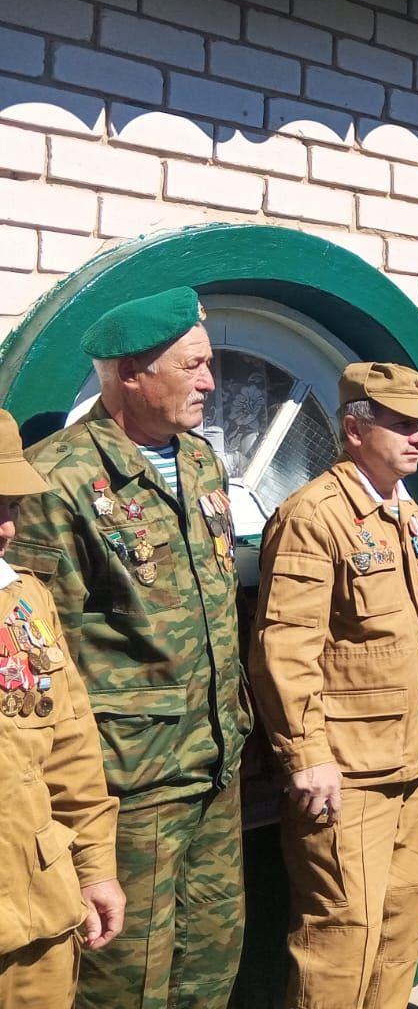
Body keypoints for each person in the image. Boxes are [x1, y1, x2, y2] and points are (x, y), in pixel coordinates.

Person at [13, 286, 250, 1008]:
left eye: (208, 364)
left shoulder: (204, 464)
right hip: (131, 784)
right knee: (125, 987)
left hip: (216, 763)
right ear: (130, 375)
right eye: (193, 366)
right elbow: (44, 655)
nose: (212, 382)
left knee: (211, 965)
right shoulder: (58, 480)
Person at [252, 362, 418, 1008]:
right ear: (355, 428)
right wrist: (306, 757)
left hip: (409, 762)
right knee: (340, 942)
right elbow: (284, 647)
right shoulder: (315, 515)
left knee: (400, 929)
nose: (417, 436)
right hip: (347, 776)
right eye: (401, 423)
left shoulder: (404, 512)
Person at [0, 408, 123, 1008]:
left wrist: (96, 867)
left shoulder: (24, 598)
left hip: (37, 908)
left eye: (11, 506)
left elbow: (71, 749)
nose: (5, 527)